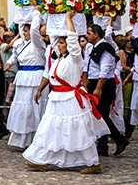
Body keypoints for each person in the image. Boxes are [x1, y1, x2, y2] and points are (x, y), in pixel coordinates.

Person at [24, 11, 108, 173]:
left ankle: (93, 162)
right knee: (50, 129)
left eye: (62, 43)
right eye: (58, 43)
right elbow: (53, 40)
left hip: (71, 100)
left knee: (78, 130)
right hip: (56, 98)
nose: (59, 45)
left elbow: (72, 38)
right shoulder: (59, 59)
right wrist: (52, 17)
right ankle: (42, 159)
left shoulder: (75, 58)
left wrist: (68, 18)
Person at [83, 23, 129, 157]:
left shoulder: (106, 48)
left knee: (102, 114)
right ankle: (102, 146)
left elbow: (105, 69)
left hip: (103, 84)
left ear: (96, 35)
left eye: (89, 33)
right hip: (94, 82)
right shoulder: (92, 47)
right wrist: (86, 80)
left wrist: (98, 88)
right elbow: (88, 65)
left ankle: (119, 139)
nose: (86, 36)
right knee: (98, 115)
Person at [5, 15, 45, 148]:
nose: (24, 33)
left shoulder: (38, 44)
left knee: (34, 106)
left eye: (26, 31)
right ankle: (21, 138)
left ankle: (36, 137)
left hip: (35, 76)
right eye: (23, 31)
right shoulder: (18, 44)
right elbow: (14, 56)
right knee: (22, 106)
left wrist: (36, 15)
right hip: (23, 76)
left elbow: (34, 31)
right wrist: (9, 63)